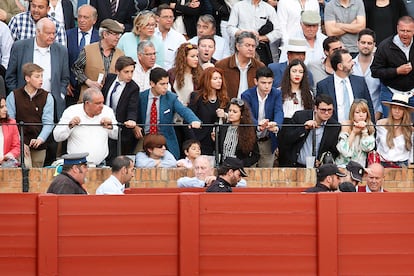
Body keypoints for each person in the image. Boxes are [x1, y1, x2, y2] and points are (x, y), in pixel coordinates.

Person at [5, 17, 69, 118]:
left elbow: (65, 78)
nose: (52, 36)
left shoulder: (61, 50)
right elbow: (10, 76)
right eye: (48, 33)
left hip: (52, 104)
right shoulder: (20, 47)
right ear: (38, 32)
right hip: (24, 104)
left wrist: (60, 94)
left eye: (54, 33)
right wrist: (18, 95)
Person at [139, 67, 201, 159]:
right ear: (152, 83)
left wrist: (193, 120)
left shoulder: (171, 97)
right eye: (162, 84)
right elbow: (134, 113)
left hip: (164, 139)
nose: (165, 87)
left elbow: (183, 110)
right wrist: (136, 127)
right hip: (144, 137)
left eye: (167, 83)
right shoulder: (141, 97)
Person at [53, 88, 118, 166]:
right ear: (87, 103)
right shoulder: (71, 111)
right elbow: (57, 137)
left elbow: (117, 135)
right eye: (98, 103)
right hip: (76, 165)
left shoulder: (108, 111)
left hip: (100, 164)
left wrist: (111, 127)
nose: (102, 106)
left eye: (102, 102)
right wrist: (69, 126)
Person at [6, 63, 54, 168]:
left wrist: (40, 139)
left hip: (39, 144)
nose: (41, 79)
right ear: (27, 78)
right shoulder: (14, 95)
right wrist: (20, 142)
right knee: (25, 170)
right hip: (20, 143)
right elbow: (10, 122)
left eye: (42, 76)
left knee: (37, 176)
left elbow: (48, 122)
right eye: (37, 76)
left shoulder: (47, 96)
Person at [278, 94, 341, 167]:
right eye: (323, 110)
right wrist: (304, 128)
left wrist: (322, 160)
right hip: (294, 165)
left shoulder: (334, 126)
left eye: (330, 110)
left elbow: (333, 151)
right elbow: (286, 139)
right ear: (316, 108)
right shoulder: (300, 116)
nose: (326, 113)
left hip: (317, 169)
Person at [72, 18, 124, 103]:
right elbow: (76, 69)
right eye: (115, 34)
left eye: (119, 35)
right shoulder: (88, 50)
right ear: (105, 34)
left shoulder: (120, 54)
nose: (118, 38)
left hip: (109, 101)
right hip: (88, 100)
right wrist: (88, 81)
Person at [371, 16, 414, 117]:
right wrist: (397, 71)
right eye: (402, 30)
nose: (405, 34)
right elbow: (375, 71)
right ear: (397, 28)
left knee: (410, 129)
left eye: (408, 31)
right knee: (390, 128)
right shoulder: (384, 46)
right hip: (390, 93)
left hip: (412, 93)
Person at [316, 48, 375, 122]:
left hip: (358, 128)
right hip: (334, 130)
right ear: (340, 66)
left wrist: (372, 129)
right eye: (349, 61)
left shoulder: (360, 82)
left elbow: (369, 107)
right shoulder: (323, 85)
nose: (353, 63)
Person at [101, 56, 140, 165]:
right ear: (117, 71)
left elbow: (133, 107)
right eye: (126, 72)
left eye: (132, 71)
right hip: (103, 123)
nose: (130, 75)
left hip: (119, 129)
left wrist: (131, 119)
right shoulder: (109, 78)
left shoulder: (133, 88)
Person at [241, 67, 283, 167]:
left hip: (267, 139)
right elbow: (248, 115)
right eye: (263, 83)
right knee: (248, 172)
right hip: (250, 139)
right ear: (256, 81)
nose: (267, 86)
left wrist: (276, 125)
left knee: (267, 174)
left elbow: (279, 111)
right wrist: (258, 125)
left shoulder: (276, 93)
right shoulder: (247, 95)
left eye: (270, 83)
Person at [189, 67, 229, 155]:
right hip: (200, 138)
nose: (219, 81)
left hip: (217, 139)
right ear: (207, 80)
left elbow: (229, 118)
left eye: (220, 78)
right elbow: (189, 118)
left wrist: (224, 115)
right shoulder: (196, 96)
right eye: (215, 79)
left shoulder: (224, 98)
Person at [65, 4, 100, 105]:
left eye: (86, 17)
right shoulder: (67, 35)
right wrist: (65, 82)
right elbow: (62, 60)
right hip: (70, 88)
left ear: (94, 20)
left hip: (91, 88)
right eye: (79, 16)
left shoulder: (100, 38)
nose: (81, 20)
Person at [215, 31, 265, 99]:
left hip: (251, 107)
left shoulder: (259, 66)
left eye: (253, 46)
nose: (251, 49)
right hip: (228, 106)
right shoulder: (222, 65)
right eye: (247, 45)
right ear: (238, 46)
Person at [214, 98, 260, 167]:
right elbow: (218, 149)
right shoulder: (223, 127)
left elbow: (255, 155)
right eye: (230, 111)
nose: (231, 114)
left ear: (242, 115)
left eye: (234, 112)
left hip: (238, 169)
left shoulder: (249, 130)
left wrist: (241, 164)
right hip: (223, 168)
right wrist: (215, 140)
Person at [375, 93, 414, 168]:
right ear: (391, 109)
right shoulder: (381, 124)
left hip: (402, 165)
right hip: (382, 164)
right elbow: (377, 143)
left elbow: (412, 150)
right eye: (394, 108)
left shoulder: (410, 128)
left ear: (405, 111)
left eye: (400, 109)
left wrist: (411, 165)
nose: (397, 111)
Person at [335, 99, 376, 167]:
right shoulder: (346, 126)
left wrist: (364, 131)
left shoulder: (369, 127)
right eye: (357, 112)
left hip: (360, 167)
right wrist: (353, 132)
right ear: (352, 114)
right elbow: (343, 151)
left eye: (364, 112)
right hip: (344, 166)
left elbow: (367, 148)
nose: (361, 115)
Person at [353, 28, 382, 121]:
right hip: (352, 116)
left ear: (374, 45)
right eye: (363, 42)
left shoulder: (380, 66)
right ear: (357, 43)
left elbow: (383, 92)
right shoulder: (350, 65)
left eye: (369, 43)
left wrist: (377, 116)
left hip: (375, 115)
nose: (366, 46)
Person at [177, 154, 248, 188]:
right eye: (196, 168)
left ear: (211, 170)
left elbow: (243, 183)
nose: (199, 171)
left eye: (203, 168)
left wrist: (217, 181)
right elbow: (180, 182)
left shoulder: (217, 180)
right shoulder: (191, 181)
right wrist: (204, 183)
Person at [154, 4, 187, 71]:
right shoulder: (150, 35)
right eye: (165, 17)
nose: (169, 20)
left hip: (171, 76)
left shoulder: (179, 38)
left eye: (171, 17)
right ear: (157, 18)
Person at [0, 96, 20, 166]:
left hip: (6, 163)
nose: (5, 109)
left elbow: (17, 147)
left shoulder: (11, 123)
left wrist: (7, 156)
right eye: (1, 107)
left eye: (5, 106)